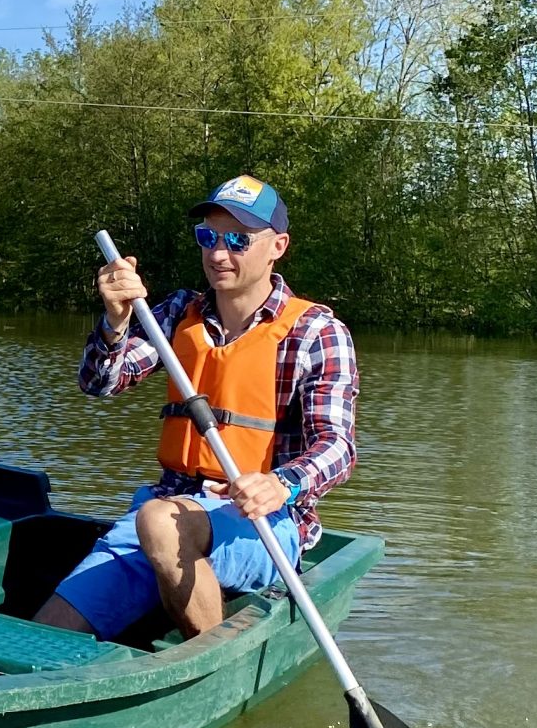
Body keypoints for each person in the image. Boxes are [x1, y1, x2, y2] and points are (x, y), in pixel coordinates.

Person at [37, 174, 358, 640]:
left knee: (158, 520)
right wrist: (115, 323)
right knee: (49, 632)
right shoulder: (177, 313)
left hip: (264, 522)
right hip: (168, 508)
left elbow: (338, 448)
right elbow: (100, 383)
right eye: (207, 237)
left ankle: (214, 664)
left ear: (278, 246)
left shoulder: (316, 333)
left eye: (237, 240)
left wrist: (280, 484)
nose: (218, 253)